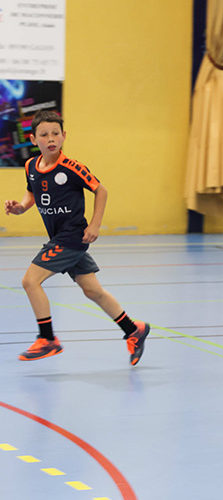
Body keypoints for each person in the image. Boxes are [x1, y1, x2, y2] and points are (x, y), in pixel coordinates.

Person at [3, 110, 150, 365]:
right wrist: (20, 207)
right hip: (61, 237)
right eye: (44, 134)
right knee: (93, 290)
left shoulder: (72, 168)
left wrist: (95, 224)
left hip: (71, 238)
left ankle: (47, 339)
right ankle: (133, 329)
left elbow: (101, 191)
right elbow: (32, 194)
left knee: (30, 281)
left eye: (55, 134)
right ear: (32, 139)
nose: (51, 139)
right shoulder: (30, 167)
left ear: (64, 136)